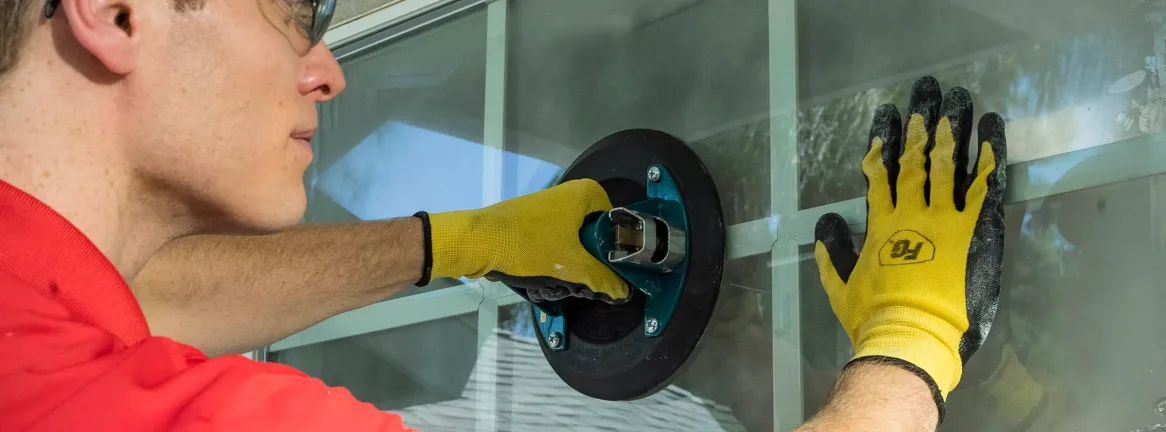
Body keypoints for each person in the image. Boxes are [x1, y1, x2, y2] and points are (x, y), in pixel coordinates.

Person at [0, 0, 1007, 429]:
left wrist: (466, 242)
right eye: (294, 13)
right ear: (116, 12)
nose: (326, 72)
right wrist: (908, 344)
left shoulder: (41, 341)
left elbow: (142, 303)